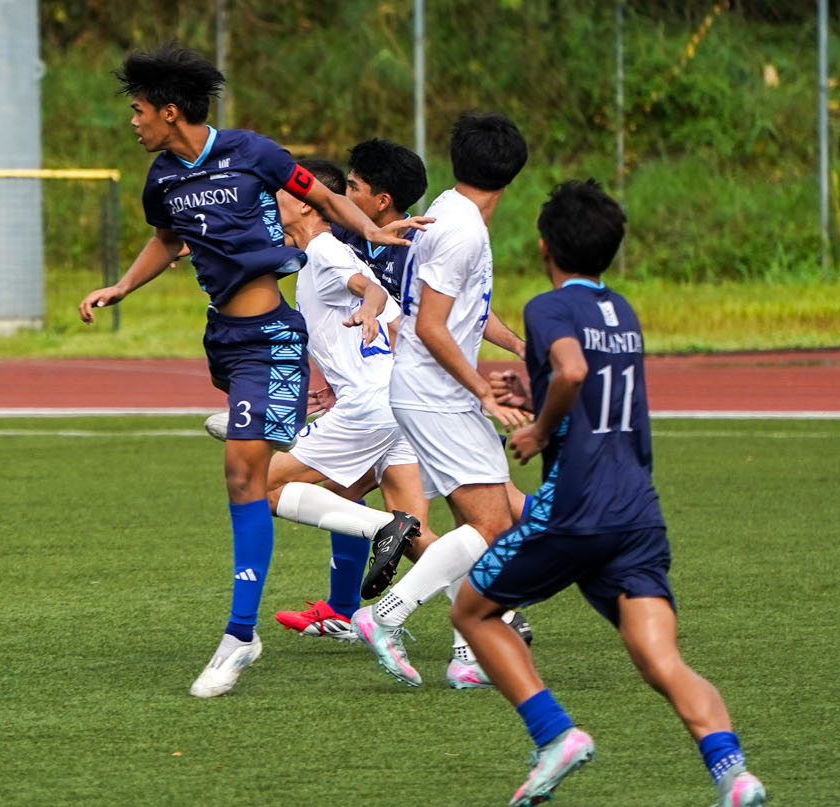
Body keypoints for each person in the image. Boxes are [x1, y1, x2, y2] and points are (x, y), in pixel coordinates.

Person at [78, 44, 419, 699]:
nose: (134, 122)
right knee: (254, 467)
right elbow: (169, 239)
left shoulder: (253, 153)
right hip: (225, 341)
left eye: (138, 110)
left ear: (169, 110)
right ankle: (320, 476)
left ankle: (241, 634)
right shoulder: (162, 178)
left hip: (271, 339)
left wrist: (374, 239)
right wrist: (122, 286)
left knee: (244, 471)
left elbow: (319, 194)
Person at [452, 180, 766, 807]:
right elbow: (588, 378)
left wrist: (536, 429)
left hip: (578, 505)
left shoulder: (547, 306)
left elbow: (570, 371)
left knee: (471, 611)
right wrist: (533, 387)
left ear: (544, 246)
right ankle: (733, 775)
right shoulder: (621, 310)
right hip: (636, 510)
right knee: (660, 658)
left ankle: (555, 734)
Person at [353, 112, 534, 691]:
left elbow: (463, 309)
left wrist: (519, 347)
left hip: (431, 391)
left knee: (476, 522)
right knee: (494, 524)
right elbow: (431, 326)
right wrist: (484, 388)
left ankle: (468, 654)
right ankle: (386, 615)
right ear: (511, 175)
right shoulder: (464, 231)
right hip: (437, 395)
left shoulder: (449, 212)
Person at [250, 156, 435, 642]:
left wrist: (368, 311)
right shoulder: (326, 251)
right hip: (397, 405)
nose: (276, 196)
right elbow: (395, 323)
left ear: (309, 204)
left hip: (369, 408)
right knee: (418, 537)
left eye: (285, 191)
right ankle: (500, 616)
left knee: (255, 485)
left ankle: (378, 530)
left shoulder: (327, 252)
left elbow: (370, 291)